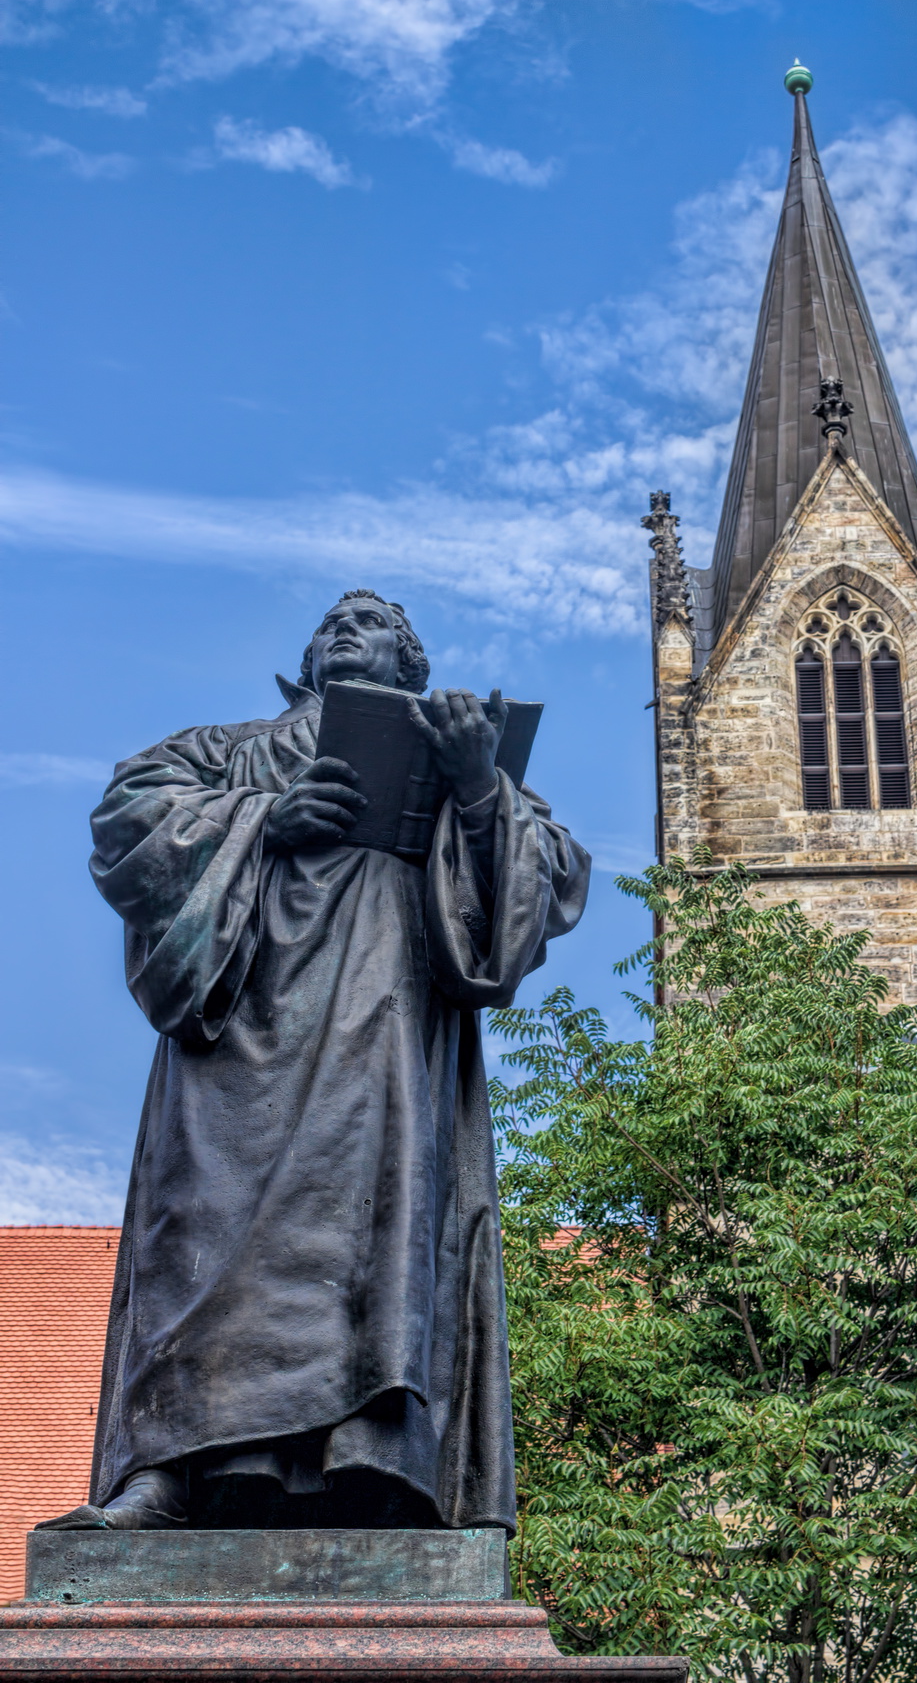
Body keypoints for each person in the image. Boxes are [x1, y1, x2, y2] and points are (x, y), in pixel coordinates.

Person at [39, 590, 589, 1533]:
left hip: (382, 1046)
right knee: (198, 1233)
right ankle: (168, 1476)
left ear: (409, 666)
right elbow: (126, 820)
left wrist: (476, 788)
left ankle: (372, 1472)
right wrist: (260, 818)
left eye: (371, 622)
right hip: (232, 1053)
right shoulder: (224, 751)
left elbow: (549, 878)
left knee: (365, 1247)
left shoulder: (456, 749)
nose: (345, 629)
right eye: (333, 621)